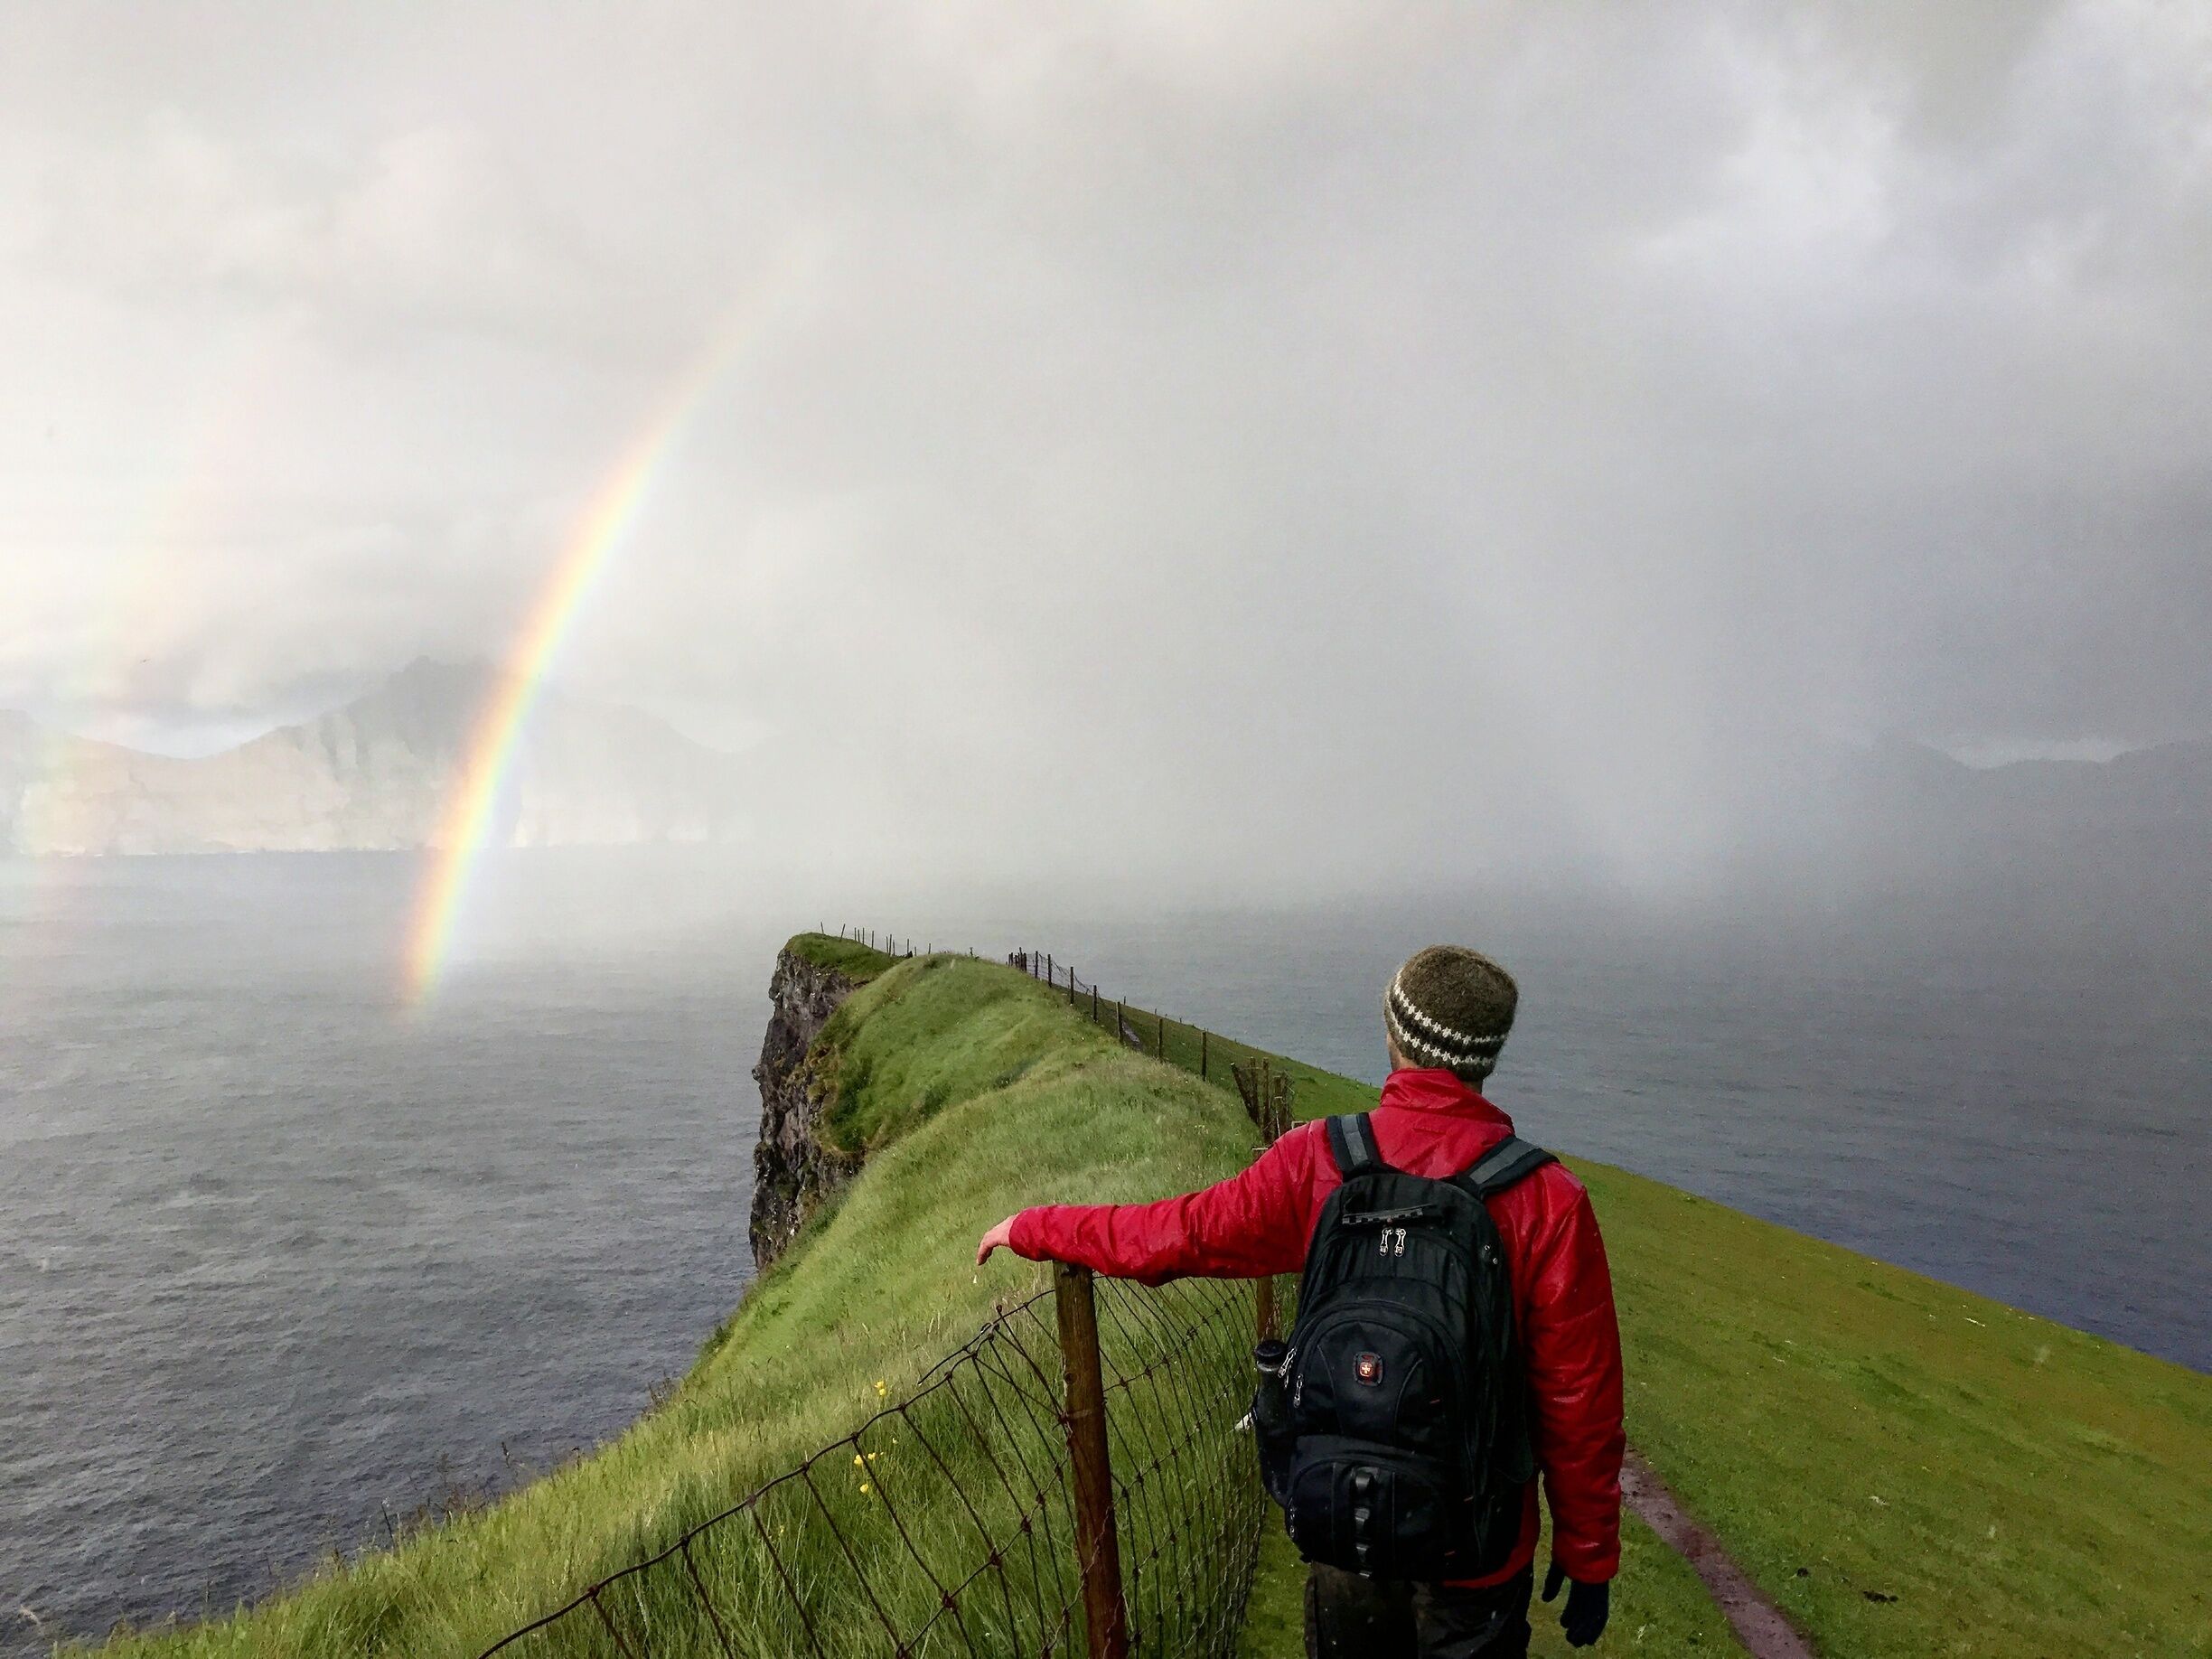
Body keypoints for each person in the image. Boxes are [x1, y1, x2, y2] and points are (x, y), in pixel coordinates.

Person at [978, 945, 1624, 1656]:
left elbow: (1177, 1234)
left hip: (1344, 1516)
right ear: (1487, 1057)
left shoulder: (1319, 1160)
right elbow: (1579, 1400)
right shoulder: (1547, 1199)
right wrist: (1589, 1551)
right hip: (1476, 1549)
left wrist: (1036, 1227)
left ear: (1393, 1034)